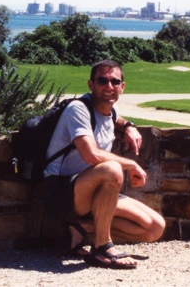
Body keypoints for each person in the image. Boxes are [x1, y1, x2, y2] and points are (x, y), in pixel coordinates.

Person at [43, 59, 166, 269]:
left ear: (122, 87)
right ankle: (102, 248)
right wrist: (131, 165)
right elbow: (91, 156)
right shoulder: (78, 109)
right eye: (102, 81)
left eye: (115, 82)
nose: (109, 87)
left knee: (155, 228)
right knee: (112, 168)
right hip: (63, 192)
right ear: (91, 85)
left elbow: (116, 117)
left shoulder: (110, 110)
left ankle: (80, 228)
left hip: (96, 191)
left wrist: (129, 126)